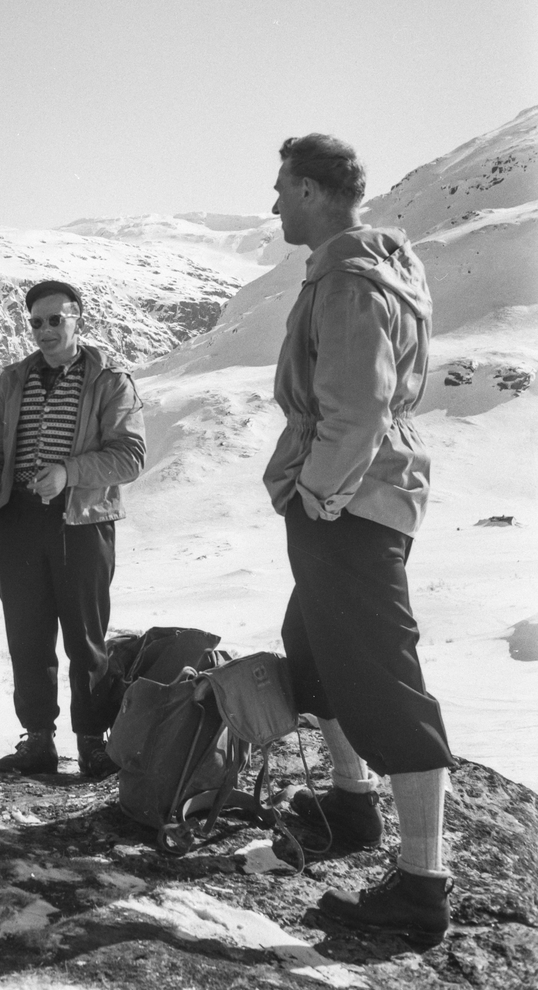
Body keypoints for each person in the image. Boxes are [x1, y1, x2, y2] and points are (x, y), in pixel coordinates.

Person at [266, 134, 455, 942]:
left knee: (382, 677)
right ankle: (350, 804)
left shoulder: (345, 279)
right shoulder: (381, 266)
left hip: (351, 501)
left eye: (282, 189)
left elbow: (357, 408)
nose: (273, 203)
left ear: (312, 192)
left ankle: (422, 885)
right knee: (307, 643)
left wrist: (317, 496)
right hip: (371, 496)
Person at [0, 280, 146, 779]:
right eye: (37, 322)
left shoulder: (111, 381)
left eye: (57, 319)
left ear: (78, 319)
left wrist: (68, 473)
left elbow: (131, 456)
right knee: (26, 637)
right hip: (19, 523)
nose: (46, 330)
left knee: (85, 638)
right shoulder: (13, 379)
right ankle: (38, 742)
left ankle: (93, 744)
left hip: (83, 523)